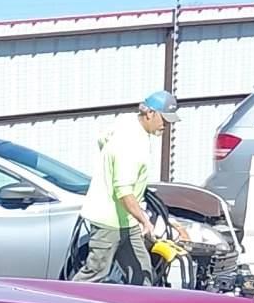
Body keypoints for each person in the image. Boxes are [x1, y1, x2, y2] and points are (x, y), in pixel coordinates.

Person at [72, 90, 177, 282]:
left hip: (127, 221)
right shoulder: (130, 143)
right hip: (109, 222)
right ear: (150, 113)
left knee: (142, 273)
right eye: (164, 119)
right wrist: (145, 220)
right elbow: (123, 191)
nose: (166, 125)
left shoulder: (127, 124)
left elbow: (102, 140)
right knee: (95, 274)